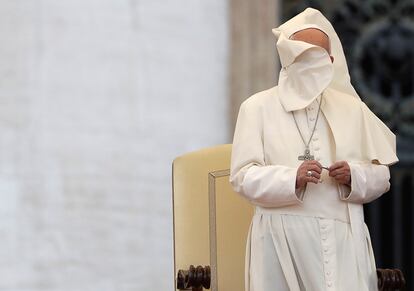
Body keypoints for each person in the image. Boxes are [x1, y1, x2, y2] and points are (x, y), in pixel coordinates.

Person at [229, 8, 398, 291]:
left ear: (332, 61)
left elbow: (382, 177)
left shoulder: (352, 109)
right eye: (305, 58)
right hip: (279, 239)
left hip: (344, 238)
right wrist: (290, 178)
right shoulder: (256, 107)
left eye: (321, 59)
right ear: (289, 58)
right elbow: (242, 177)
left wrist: (354, 176)